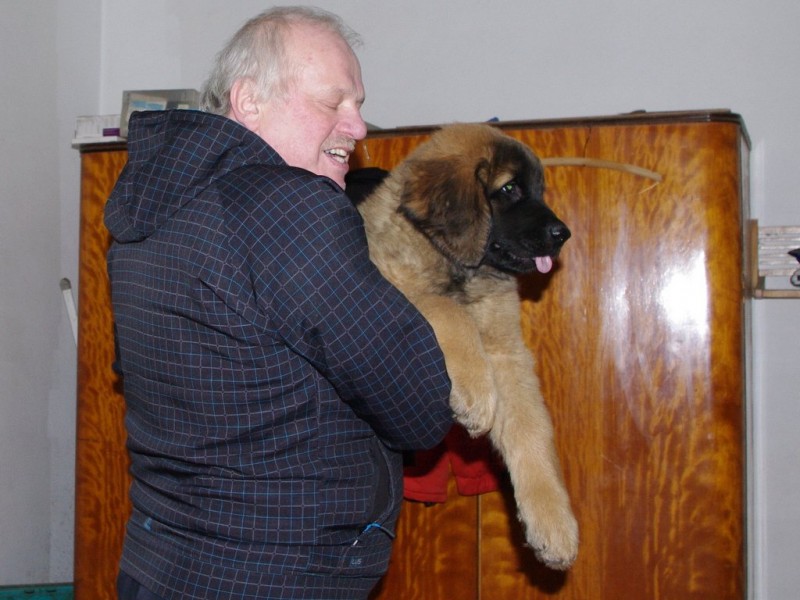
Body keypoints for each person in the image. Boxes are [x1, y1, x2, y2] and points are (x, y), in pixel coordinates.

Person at [105, 6, 453, 599]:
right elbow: (419, 407)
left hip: (161, 559)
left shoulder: (151, 206)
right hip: (271, 573)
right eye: (333, 102)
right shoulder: (289, 207)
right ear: (249, 100)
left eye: (360, 104)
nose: (359, 126)